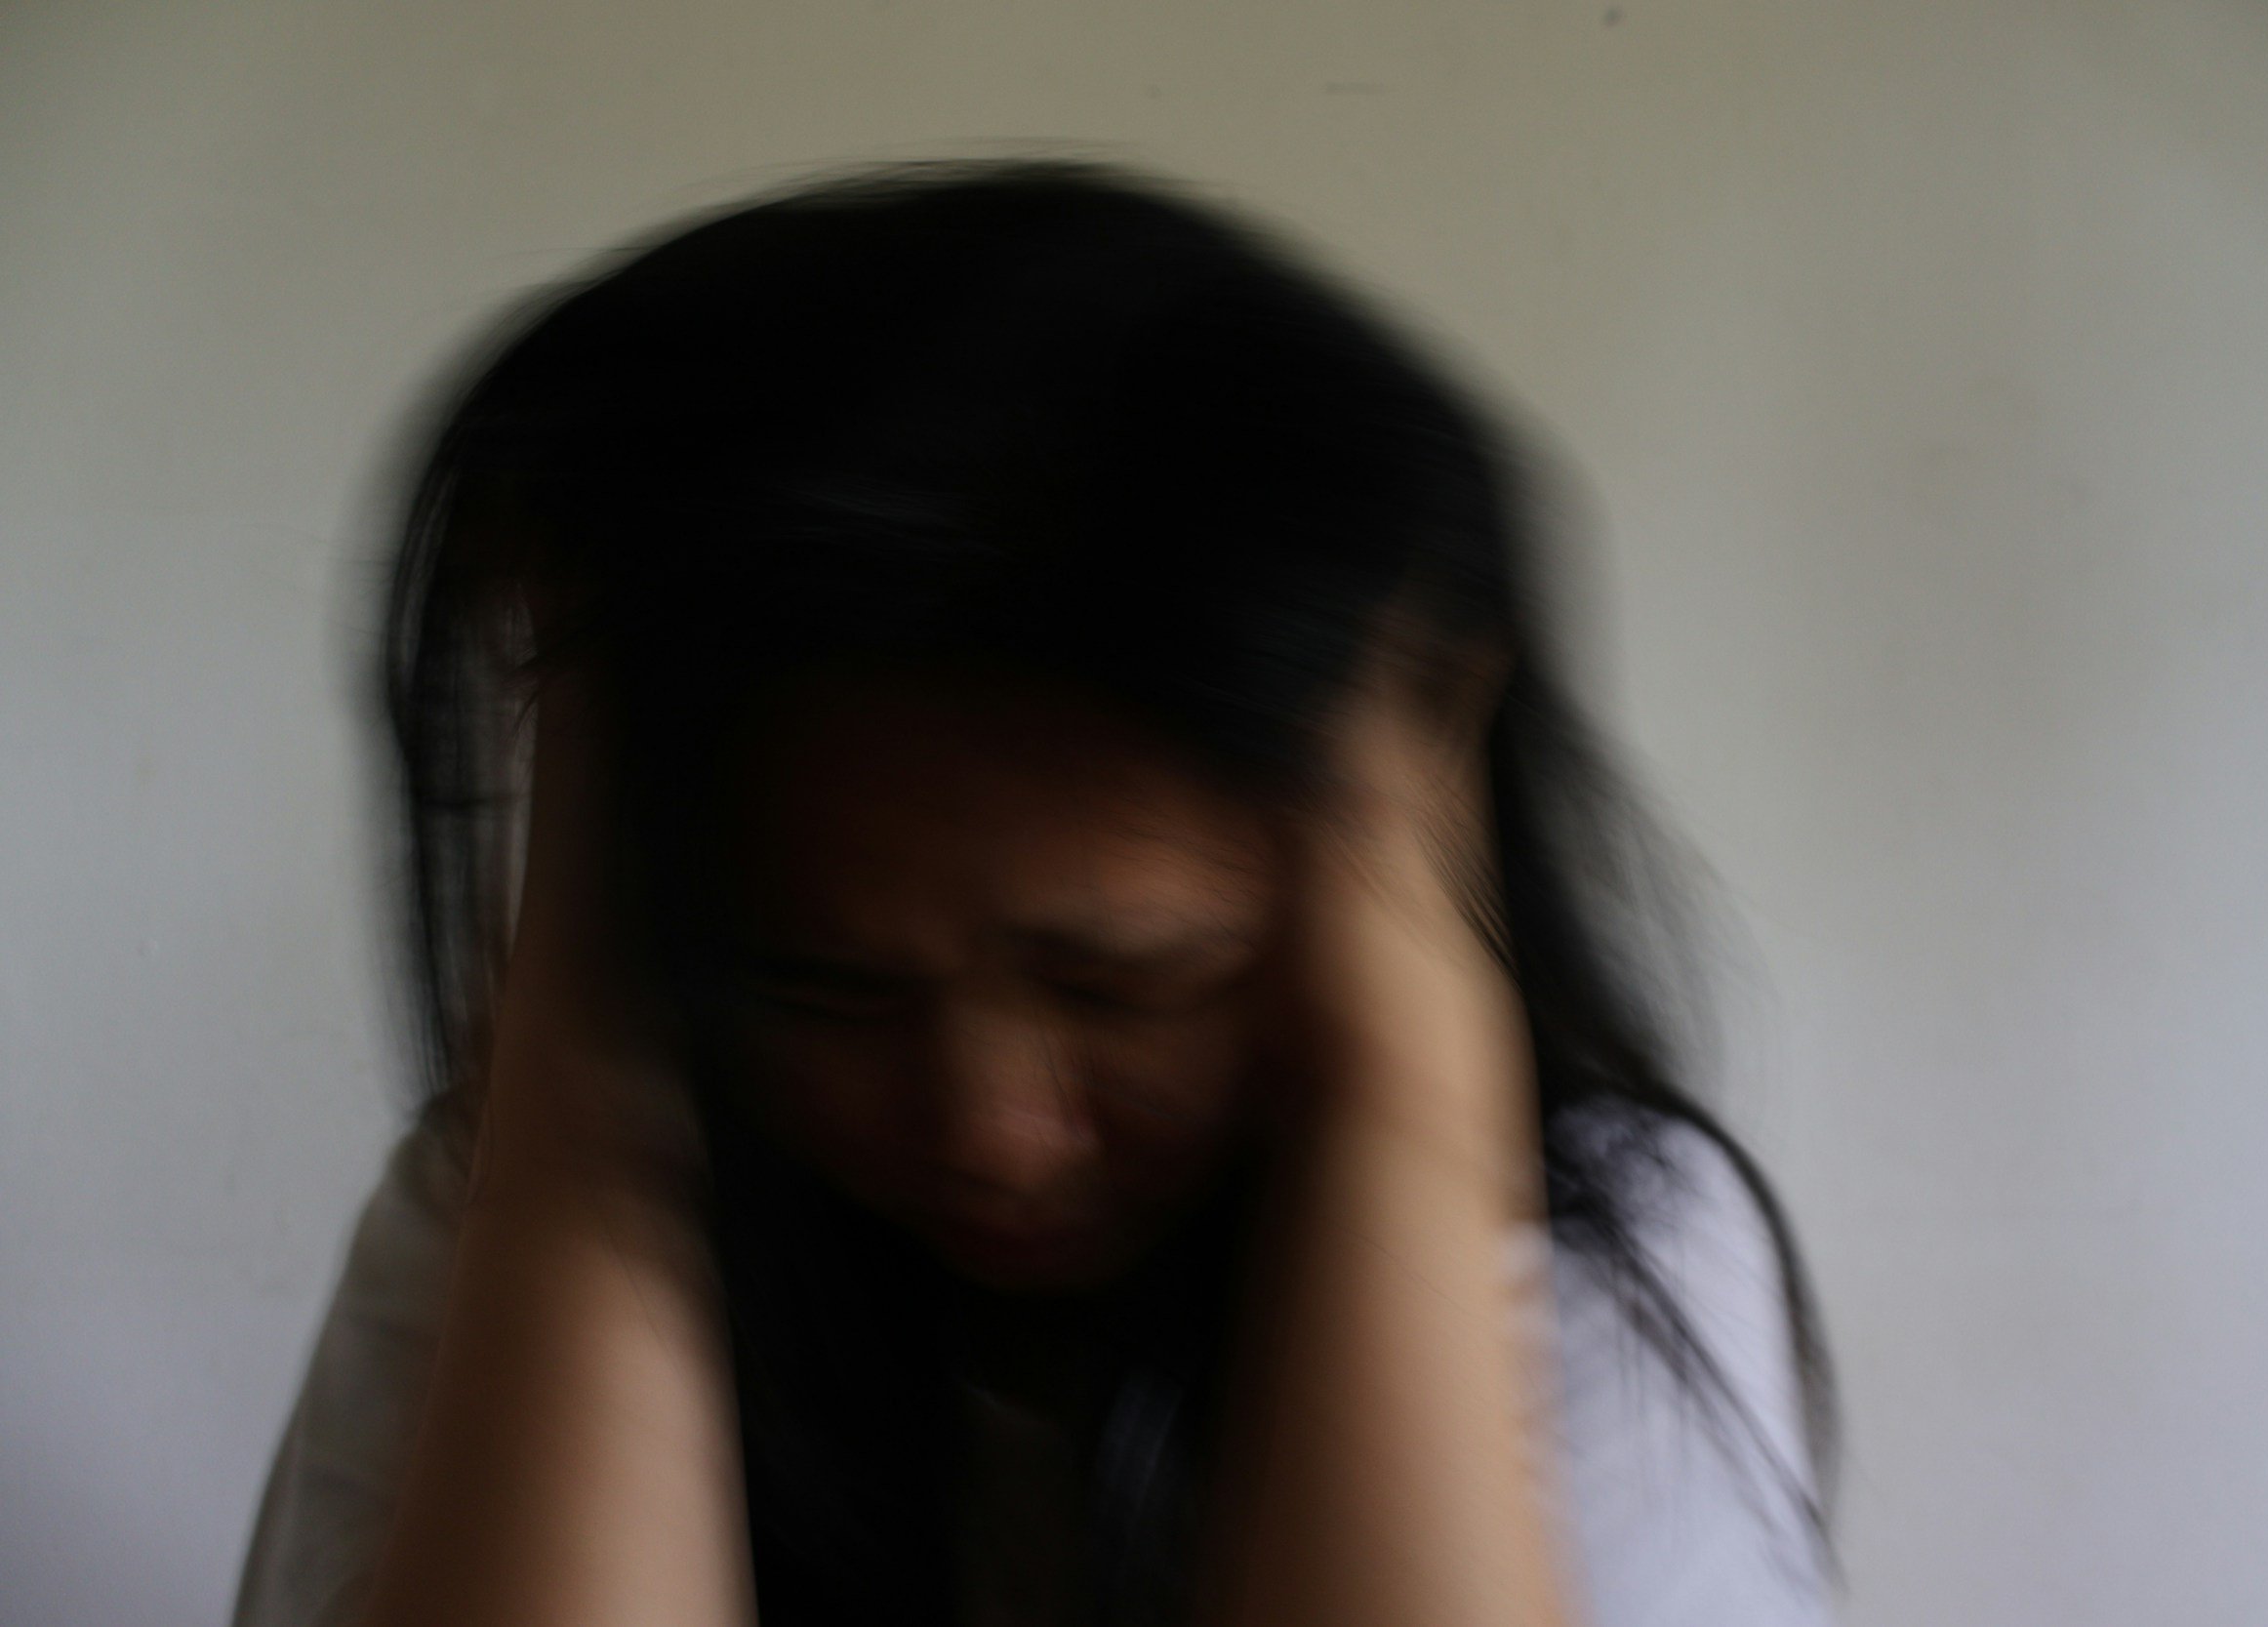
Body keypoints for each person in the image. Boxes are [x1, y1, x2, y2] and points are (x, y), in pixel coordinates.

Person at [231, 159, 1837, 1627]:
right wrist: (589, 1099)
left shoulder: (1611, 1242)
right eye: (826, 989)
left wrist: (1405, 1113)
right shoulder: (516, 1193)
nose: (995, 1131)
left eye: (1124, 985)